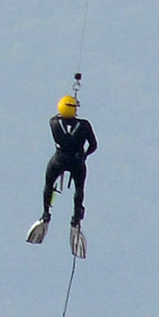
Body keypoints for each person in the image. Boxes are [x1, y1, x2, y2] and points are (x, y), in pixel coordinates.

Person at [43, 95, 97, 227]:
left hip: (59, 159)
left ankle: (46, 213)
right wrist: (84, 155)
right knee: (79, 187)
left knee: (49, 183)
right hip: (77, 160)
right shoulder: (84, 125)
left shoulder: (53, 122)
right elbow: (93, 145)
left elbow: (57, 116)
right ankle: (76, 216)